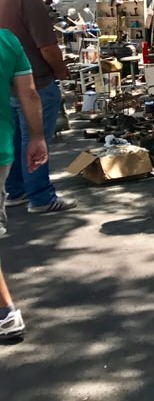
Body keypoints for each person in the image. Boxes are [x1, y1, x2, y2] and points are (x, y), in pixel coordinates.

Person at [0, 0, 75, 213]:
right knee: (35, 139)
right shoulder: (28, 1)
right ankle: (41, 198)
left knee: (13, 140)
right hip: (35, 82)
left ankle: (15, 191)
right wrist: (61, 71)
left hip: (5, 83)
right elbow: (48, 47)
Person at [0, 28, 48, 341]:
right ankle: (5, 312)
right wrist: (37, 137)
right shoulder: (6, 40)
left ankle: (6, 312)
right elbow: (28, 93)